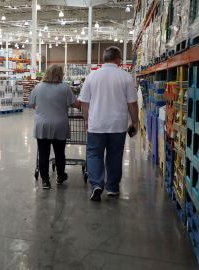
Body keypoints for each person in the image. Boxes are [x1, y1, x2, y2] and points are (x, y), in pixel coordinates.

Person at [78, 46, 138, 202]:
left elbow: (84, 102)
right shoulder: (125, 77)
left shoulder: (92, 76)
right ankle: (112, 188)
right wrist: (135, 122)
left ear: (104, 59)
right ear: (118, 59)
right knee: (115, 156)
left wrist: (86, 119)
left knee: (94, 154)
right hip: (117, 125)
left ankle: (97, 184)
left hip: (96, 124)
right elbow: (132, 103)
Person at [29, 65, 79, 189]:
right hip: (59, 125)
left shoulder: (38, 87)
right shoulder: (65, 88)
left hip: (42, 125)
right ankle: (60, 176)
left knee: (43, 153)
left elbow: (31, 104)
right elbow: (75, 104)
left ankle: (45, 181)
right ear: (60, 74)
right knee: (60, 153)